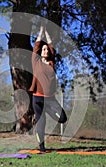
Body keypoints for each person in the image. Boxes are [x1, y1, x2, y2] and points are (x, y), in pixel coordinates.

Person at [29, 25, 67, 153]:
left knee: (62, 118)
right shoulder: (36, 61)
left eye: (47, 50)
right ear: (40, 52)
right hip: (37, 98)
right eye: (43, 49)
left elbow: (51, 46)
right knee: (41, 123)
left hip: (50, 99)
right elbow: (36, 46)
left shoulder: (51, 63)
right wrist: (40, 32)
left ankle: (49, 111)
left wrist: (47, 33)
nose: (45, 51)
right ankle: (42, 148)